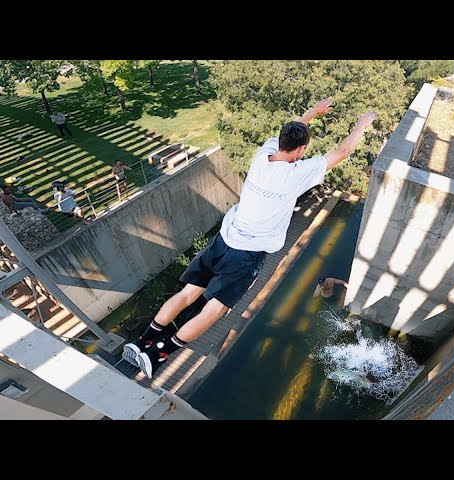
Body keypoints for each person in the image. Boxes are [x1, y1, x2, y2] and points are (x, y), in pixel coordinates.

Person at [122, 98, 377, 379]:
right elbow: (342, 151)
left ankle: (142, 342)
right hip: (246, 255)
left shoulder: (262, 155)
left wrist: (313, 113)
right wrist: (361, 124)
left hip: (224, 240)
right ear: (302, 149)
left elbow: (292, 129)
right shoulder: (297, 174)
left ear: (280, 140)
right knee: (213, 311)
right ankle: (156, 358)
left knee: (187, 294)